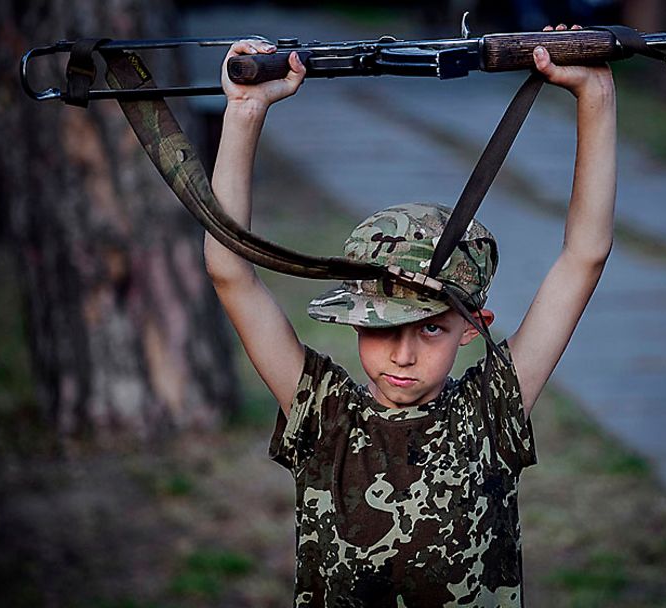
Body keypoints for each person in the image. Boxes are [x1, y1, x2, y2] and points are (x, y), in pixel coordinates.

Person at [204, 23, 616, 607]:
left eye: (429, 327)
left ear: (472, 327)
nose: (402, 354)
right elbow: (230, 274)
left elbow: (584, 258)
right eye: (381, 327)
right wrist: (244, 113)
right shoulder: (324, 414)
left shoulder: (491, 411)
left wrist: (594, 97)